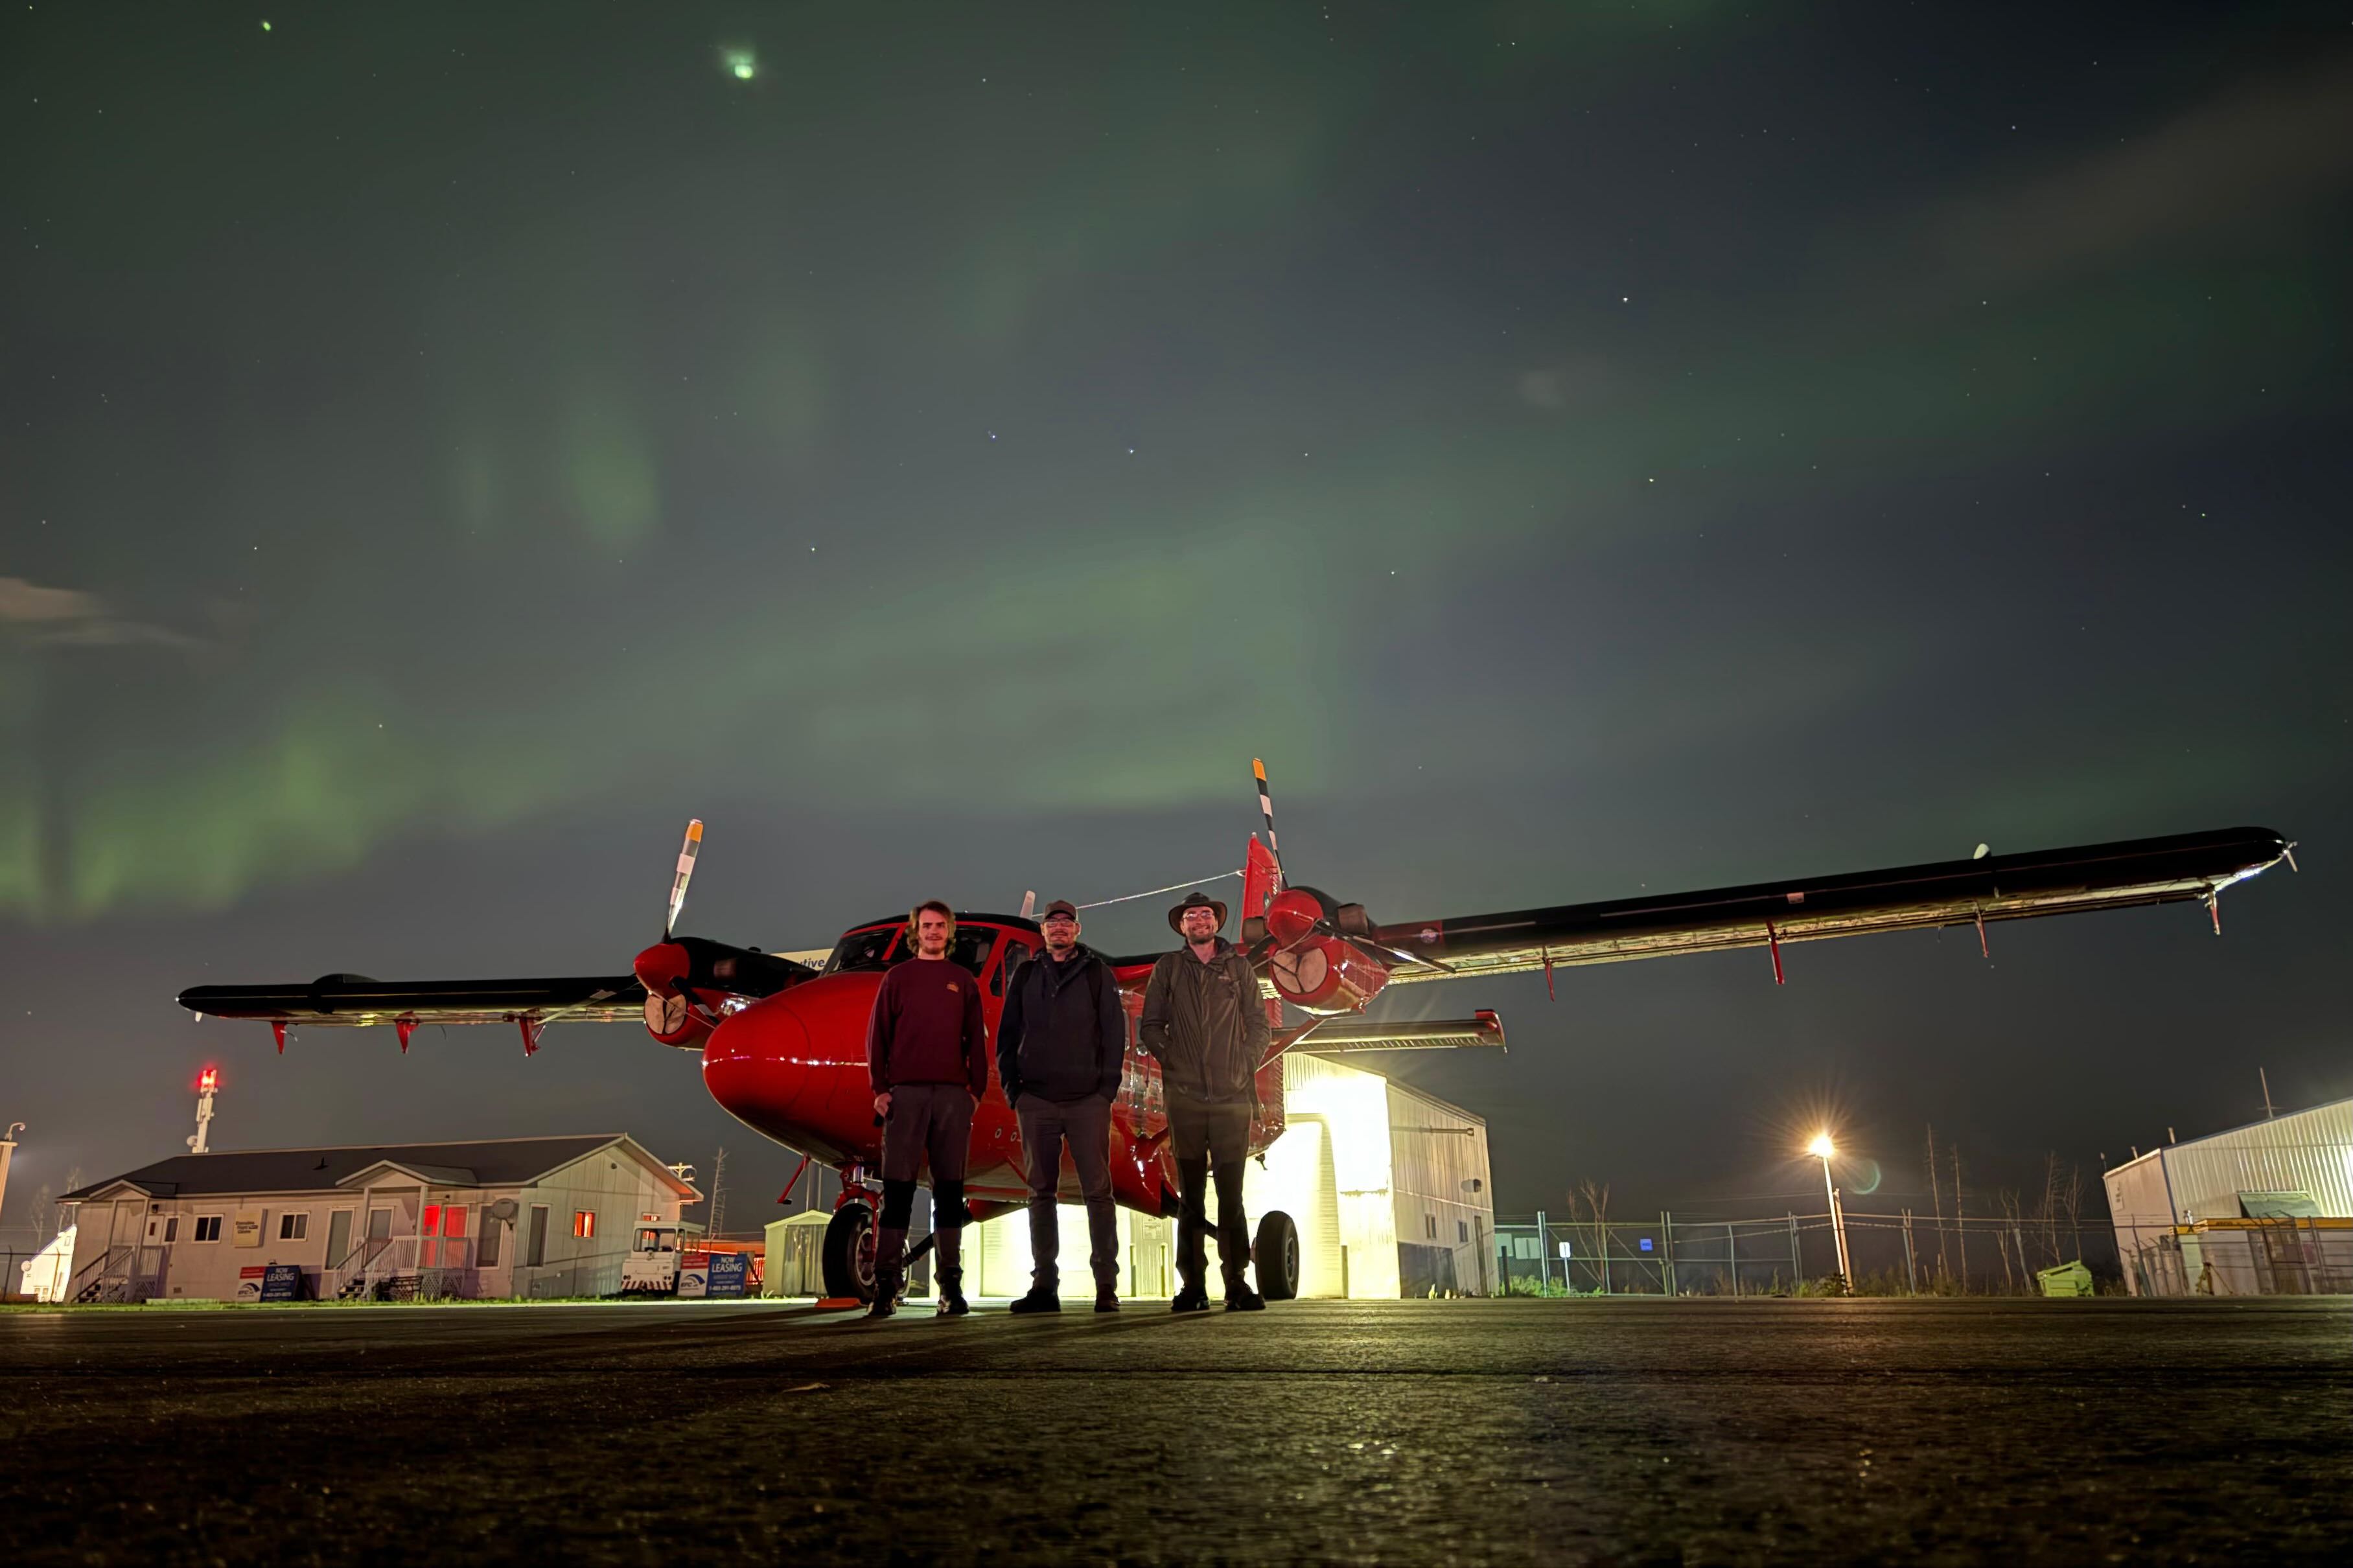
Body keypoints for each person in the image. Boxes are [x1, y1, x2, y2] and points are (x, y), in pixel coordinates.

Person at [1139, 889, 1271, 1312]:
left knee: (1232, 1195)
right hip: (1186, 1100)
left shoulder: (1238, 967)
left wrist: (1242, 1065)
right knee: (1190, 1196)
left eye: (1205, 915)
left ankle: (1236, 1283)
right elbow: (1150, 1026)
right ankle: (1192, 1286)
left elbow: (1259, 1024)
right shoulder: (1168, 968)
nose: (1199, 921)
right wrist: (1174, 1063)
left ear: (1215, 922)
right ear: (1182, 926)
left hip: (1232, 1098)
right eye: (1191, 916)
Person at [997, 899, 1128, 1315]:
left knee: (1098, 1192)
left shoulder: (1097, 974)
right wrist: (1014, 1090)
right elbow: (1007, 1034)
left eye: (1066, 922)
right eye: (1051, 922)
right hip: (1036, 1101)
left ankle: (1106, 1286)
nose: (1058, 928)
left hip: (1087, 1101)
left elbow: (1114, 1032)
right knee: (1040, 1192)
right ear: (1043, 931)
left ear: (1077, 930)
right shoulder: (1026, 974)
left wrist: (1105, 1090)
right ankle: (1044, 1286)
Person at [864, 899, 988, 1319]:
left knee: (950, 1192)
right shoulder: (897, 978)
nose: (933, 932)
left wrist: (974, 1092)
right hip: (906, 1095)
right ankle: (886, 1285)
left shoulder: (963, 980)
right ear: (915, 932)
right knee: (897, 1190)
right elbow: (878, 1036)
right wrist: (880, 1088)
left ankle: (950, 1285)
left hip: (952, 1097)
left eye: (940, 926)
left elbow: (976, 1040)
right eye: (927, 925)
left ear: (949, 932)